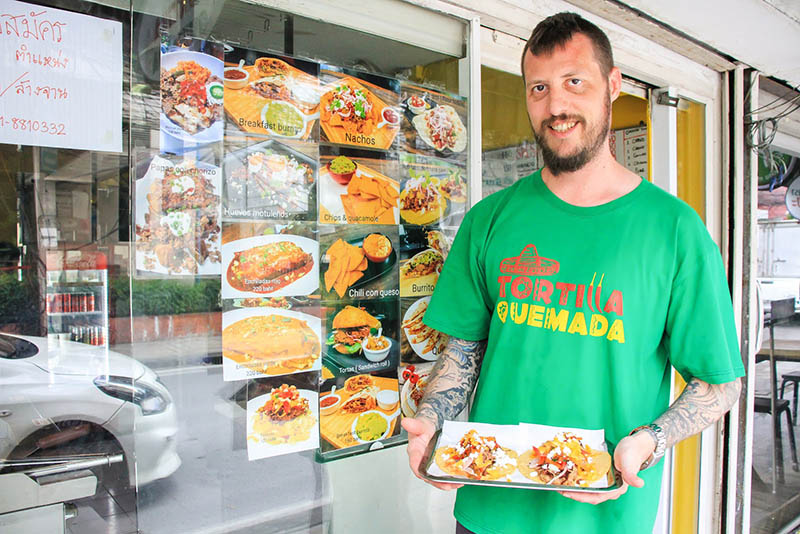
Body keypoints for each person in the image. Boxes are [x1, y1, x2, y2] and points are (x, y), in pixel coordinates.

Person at [401, 11, 744, 534]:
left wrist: (649, 442)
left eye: (574, 82)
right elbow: (463, 352)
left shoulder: (674, 230)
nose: (556, 106)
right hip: (490, 512)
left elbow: (720, 384)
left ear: (613, 85)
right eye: (539, 87)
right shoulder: (489, 220)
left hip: (607, 517)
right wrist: (433, 419)